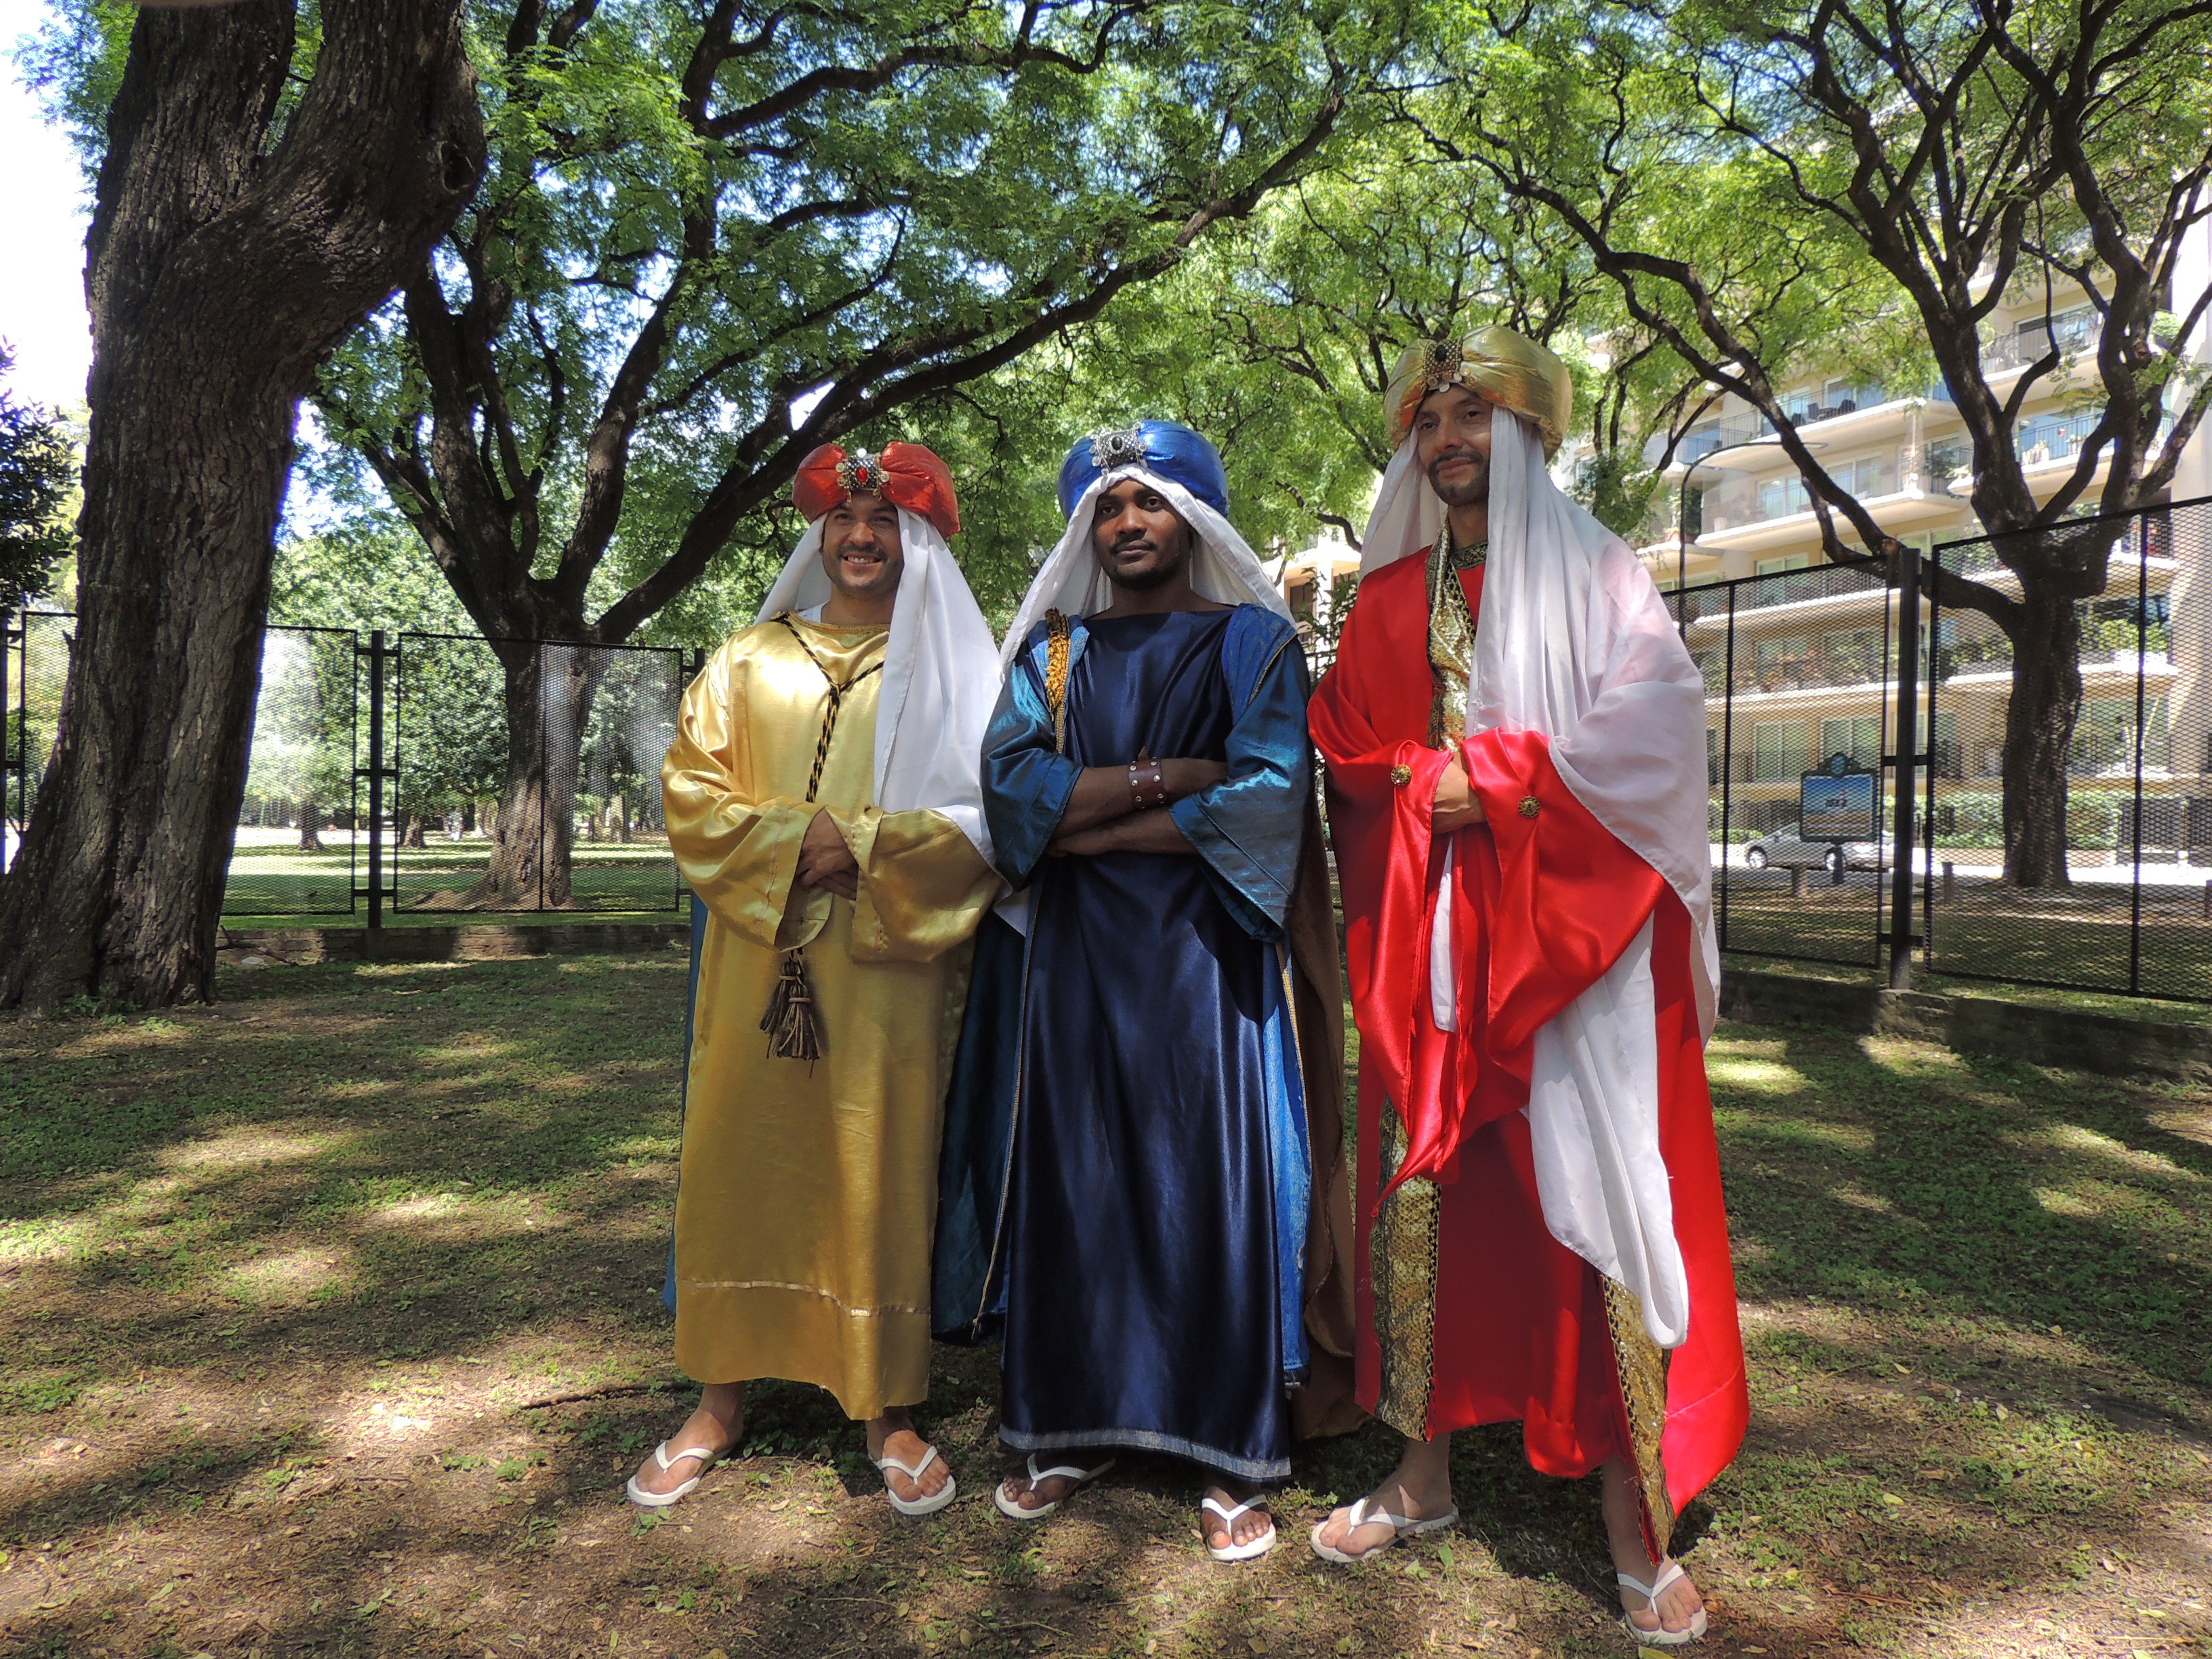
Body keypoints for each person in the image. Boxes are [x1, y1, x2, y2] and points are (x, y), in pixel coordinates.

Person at [1305, 327, 1748, 1645]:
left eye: (1473, 416)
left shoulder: (1607, 576)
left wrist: (1493, 782)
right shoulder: (1387, 603)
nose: (1446, 440)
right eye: (1428, 422)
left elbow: (1657, 725)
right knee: (1436, 1193)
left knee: (1597, 1193)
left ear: (1530, 432)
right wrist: (1405, 782)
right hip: (1434, 963)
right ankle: (1426, 1478)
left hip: (1578, 955)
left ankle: (1632, 1519)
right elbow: (1342, 742)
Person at [932, 421, 1355, 1564]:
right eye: (1108, 508)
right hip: (1076, 976)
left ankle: (1228, 1450)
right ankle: (1069, 1423)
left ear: (1193, 519)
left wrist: (1096, 817)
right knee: (1084, 1175)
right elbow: (1017, 793)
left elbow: (1265, 805)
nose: (1127, 525)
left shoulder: (1253, 646)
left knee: (1206, 1180)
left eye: (1150, 505)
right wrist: (1176, 778)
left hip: (1208, 972)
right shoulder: (1052, 657)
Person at [640, 441, 1002, 1518]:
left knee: (875, 1159)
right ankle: (720, 1394)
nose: (860, 540)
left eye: (885, 526)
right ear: (819, 537)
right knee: (739, 1152)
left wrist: (870, 852)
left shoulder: (956, 676)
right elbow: (692, 794)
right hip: (759, 954)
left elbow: (990, 816)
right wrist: (812, 844)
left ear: (917, 544)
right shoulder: (749, 660)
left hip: (889, 964)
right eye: (845, 524)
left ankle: (884, 1403)